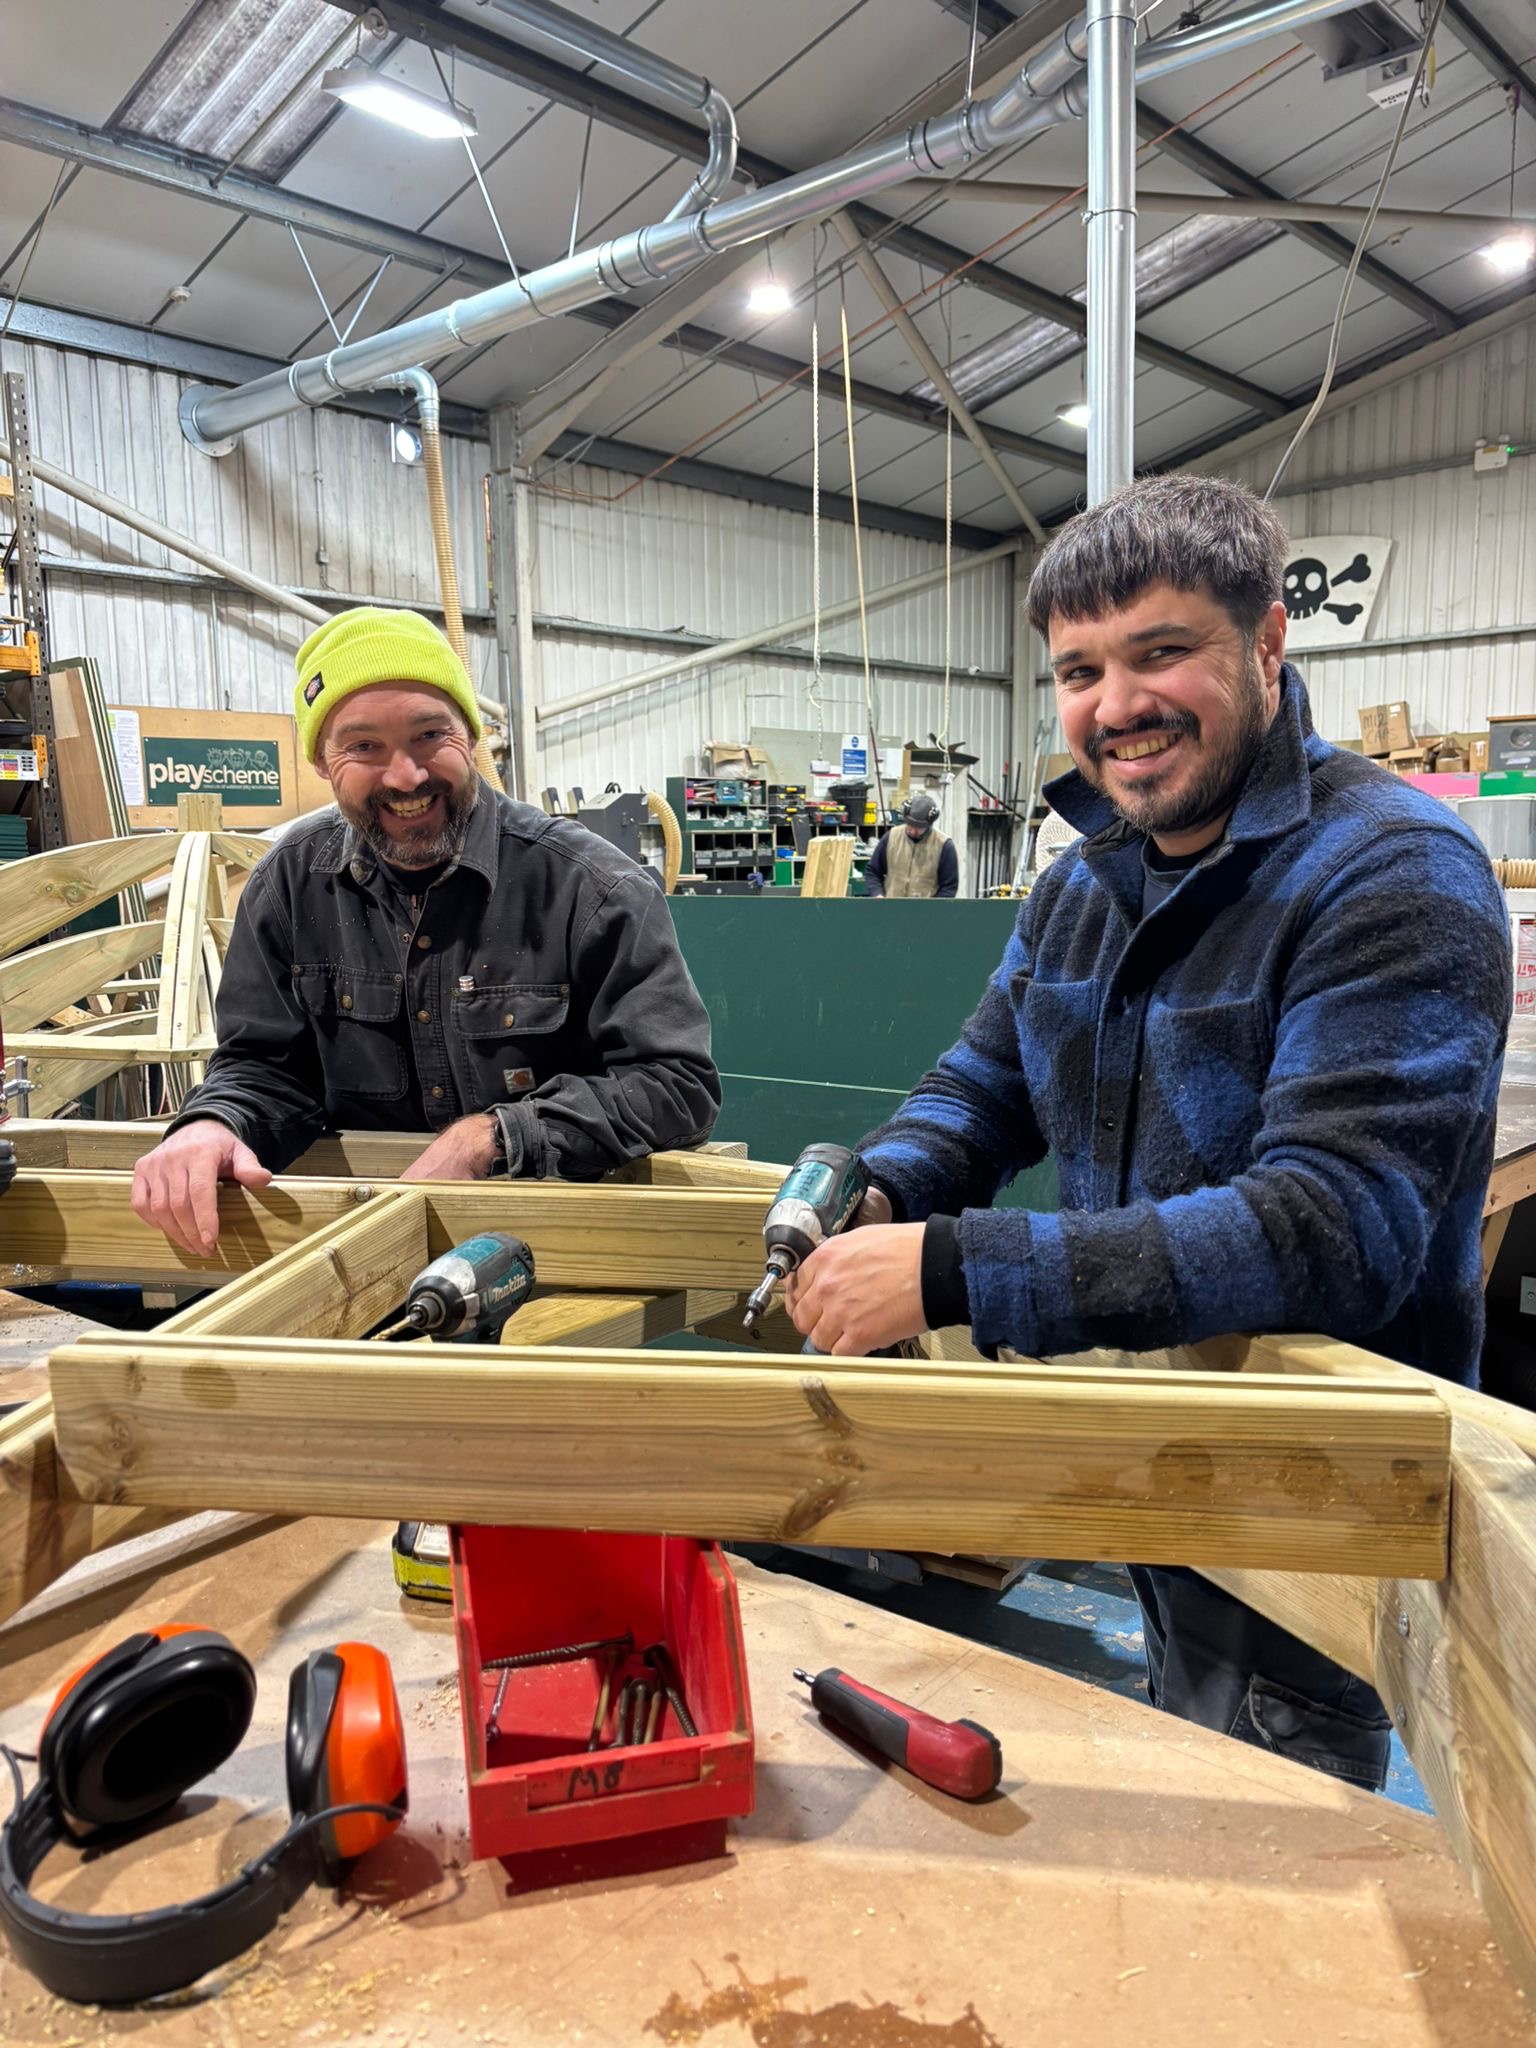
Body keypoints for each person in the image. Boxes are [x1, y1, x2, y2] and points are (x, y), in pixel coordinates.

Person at [784, 472, 1510, 1790]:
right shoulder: (1082, 887)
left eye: (1160, 652)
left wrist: (953, 1268)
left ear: (1267, 642)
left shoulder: (1394, 870)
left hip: (1311, 1501)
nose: (1116, 705)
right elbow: (981, 1089)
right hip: (1159, 1454)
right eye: (1080, 671)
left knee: (1276, 1819)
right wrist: (878, 1188)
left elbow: (1333, 1226)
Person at [132, 607, 721, 1255]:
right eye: (363, 747)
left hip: (561, 1245)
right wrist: (215, 1122)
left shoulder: (591, 887)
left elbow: (675, 1086)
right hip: (362, 1246)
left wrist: (493, 1138)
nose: (405, 776)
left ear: (472, 735)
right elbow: (265, 1068)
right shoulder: (290, 886)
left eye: (429, 735)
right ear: (323, 762)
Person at [864, 791, 958, 898]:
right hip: (891, 906)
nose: (912, 831)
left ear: (929, 825)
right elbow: (872, 872)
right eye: (910, 825)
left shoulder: (944, 846)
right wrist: (877, 894)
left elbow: (949, 888)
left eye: (918, 828)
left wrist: (935, 907)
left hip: (927, 908)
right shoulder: (891, 837)